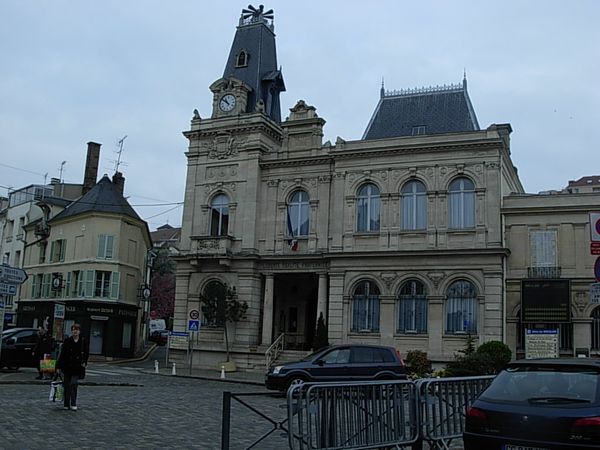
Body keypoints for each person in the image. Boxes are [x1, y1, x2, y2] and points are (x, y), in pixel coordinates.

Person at [56, 324, 89, 411]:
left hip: (77, 367)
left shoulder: (82, 341)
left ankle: (73, 403)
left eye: (77, 330)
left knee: (73, 384)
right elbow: (62, 354)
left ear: (79, 331)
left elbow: (86, 353)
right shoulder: (67, 341)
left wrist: (84, 362)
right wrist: (58, 367)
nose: (75, 331)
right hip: (67, 366)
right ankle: (66, 404)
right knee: (66, 386)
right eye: (73, 330)